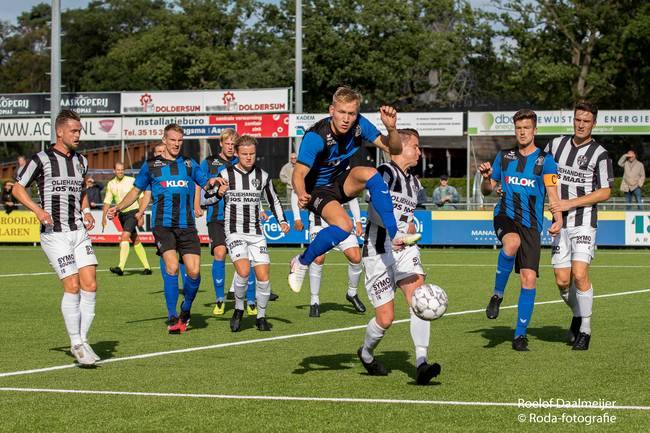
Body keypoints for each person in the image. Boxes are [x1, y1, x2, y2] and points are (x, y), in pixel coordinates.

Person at [288, 86, 419, 293]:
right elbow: (299, 172)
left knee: (371, 174)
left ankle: (395, 235)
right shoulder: (316, 136)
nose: (346, 119)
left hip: (340, 180)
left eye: (351, 113)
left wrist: (391, 129)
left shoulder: (359, 125)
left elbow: (394, 149)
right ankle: (302, 261)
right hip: (316, 189)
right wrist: (301, 192)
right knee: (344, 226)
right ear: (332, 110)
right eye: (341, 113)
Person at [107, 124, 221, 334]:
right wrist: (118, 207)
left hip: (187, 226)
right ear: (164, 140)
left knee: (194, 272)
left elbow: (206, 184)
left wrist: (216, 183)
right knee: (172, 268)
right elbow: (136, 191)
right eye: (173, 140)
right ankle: (172, 316)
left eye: (180, 140)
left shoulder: (189, 164)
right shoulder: (151, 166)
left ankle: (185, 309)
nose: (176, 144)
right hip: (163, 226)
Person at [11, 109, 99, 365]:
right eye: (74, 131)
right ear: (59, 132)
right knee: (72, 285)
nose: (78, 135)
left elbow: (81, 189)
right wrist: (38, 209)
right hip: (55, 234)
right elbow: (18, 188)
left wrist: (86, 210)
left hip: (78, 230)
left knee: (91, 284)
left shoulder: (81, 160)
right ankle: (75, 342)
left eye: (80, 131)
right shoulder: (41, 159)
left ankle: (82, 341)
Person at [357, 128, 441, 384]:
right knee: (386, 318)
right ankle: (366, 353)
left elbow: (406, 216)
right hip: (378, 251)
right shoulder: (384, 173)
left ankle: (421, 363)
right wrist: (400, 229)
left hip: (405, 251)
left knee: (420, 298)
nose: (419, 151)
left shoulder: (414, 183)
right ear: (402, 147)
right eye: (415, 146)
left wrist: (410, 227)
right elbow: (373, 212)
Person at [480, 109, 562, 351]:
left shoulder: (546, 161)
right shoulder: (504, 157)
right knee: (511, 243)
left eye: (527, 127)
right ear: (514, 129)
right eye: (518, 128)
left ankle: (519, 335)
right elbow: (488, 189)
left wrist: (558, 219)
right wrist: (486, 178)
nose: (522, 132)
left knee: (528, 280)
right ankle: (497, 295)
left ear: (535, 130)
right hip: (505, 216)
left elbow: (553, 194)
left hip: (532, 225)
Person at [546, 101, 613, 351]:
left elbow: (605, 191)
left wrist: (569, 203)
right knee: (563, 281)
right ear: (573, 120)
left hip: (584, 222)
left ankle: (585, 329)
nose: (581, 125)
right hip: (558, 223)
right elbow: (546, 174)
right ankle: (577, 313)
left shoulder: (600, 154)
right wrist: (555, 205)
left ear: (593, 123)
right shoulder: (555, 145)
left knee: (580, 273)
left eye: (586, 121)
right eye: (578, 120)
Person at [215, 135, 289, 332]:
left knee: (264, 277)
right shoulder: (225, 173)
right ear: (237, 154)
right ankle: (238, 309)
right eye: (245, 154)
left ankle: (261, 317)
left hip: (256, 233)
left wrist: (282, 221)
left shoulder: (262, 176)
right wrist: (217, 193)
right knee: (244, 271)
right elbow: (209, 198)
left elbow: (273, 200)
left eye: (252, 154)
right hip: (234, 230)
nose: (249, 158)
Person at [200, 129, 257, 316]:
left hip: (239, 217)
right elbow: (199, 186)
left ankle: (251, 300)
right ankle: (219, 299)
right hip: (216, 216)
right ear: (221, 144)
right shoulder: (209, 163)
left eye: (234, 144)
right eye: (228, 143)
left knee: (246, 258)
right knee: (219, 252)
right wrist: (197, 205)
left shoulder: (242, 162)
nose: (231, 147)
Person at [292, 197, 366, 317]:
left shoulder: (341, 178)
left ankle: (352, 293)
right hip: (318, 225)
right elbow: (296, 194)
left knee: (356, 257)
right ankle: (314, 301)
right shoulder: (310, 179)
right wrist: (297, 217)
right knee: (318, 258)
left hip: (341, 224)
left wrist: (358, 221)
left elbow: (352, 198)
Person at [102, 162, 151, 276]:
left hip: (133, 213)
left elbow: (140, 197)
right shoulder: (110, 184)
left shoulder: (131, 181)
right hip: (121, 215)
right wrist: (104, 218)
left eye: (122, 170)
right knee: (135, 240)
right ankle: (147, 268)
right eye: (118, 170)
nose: (120, 172)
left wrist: (141, 214)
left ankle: (120, 267)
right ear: (114, 171)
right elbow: (107, 202)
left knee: (124, 236)